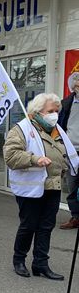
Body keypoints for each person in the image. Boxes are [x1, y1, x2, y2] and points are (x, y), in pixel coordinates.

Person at [4, 93, 79, 281]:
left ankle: (41, 264)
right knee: (29, 225)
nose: (54, 114)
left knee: (46, 227)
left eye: (56, 111)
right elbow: (11, 156)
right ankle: (19, 260)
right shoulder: (21, 129)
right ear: (37, 112)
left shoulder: (57, 130)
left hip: (52, 186)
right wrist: (34, 159)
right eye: (50, 111)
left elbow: (67, 155)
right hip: (30, 188)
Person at [59, 73, 79, 229]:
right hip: (72, 152)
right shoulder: (66, 103)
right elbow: (59, 126)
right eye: (76, 84)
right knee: (72, 186)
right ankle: (76, 217)